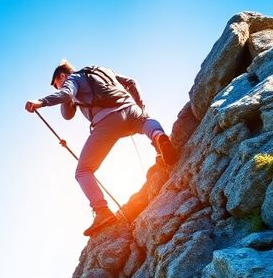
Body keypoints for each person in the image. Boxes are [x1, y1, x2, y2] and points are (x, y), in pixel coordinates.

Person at [25, 60, 177, 236]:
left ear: (62, 75)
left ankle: (102, 212)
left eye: (57, 85)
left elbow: (66, 97)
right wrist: (140, 108)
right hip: (130, 109)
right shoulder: (100, 70)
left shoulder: (71, 80)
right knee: (144, 123)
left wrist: (40, 102)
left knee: (83, 171)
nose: (58, 89)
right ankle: (159, 139)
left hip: (107, 122)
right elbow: (132, 82)